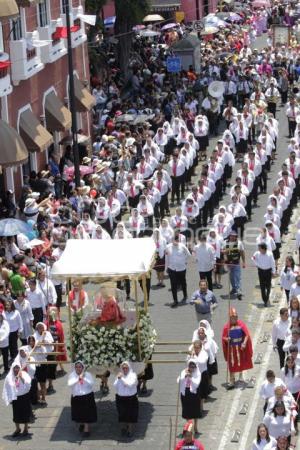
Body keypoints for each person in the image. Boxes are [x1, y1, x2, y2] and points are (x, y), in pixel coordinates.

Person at [222, 307, 253, 388]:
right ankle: (232, 380)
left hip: (240, 347)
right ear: (230, 318)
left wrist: (244, 343)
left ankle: (241, 376)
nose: (234, 319)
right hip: (232, 348)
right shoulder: (226, 327)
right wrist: (227, 339)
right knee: (231, 364)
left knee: (241, 361)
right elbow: (223, 337)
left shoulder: (241, 324)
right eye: (232, 317)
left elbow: (246, 334)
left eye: (235, 317)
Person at [68, 360, 97, 437]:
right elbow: (70, 384)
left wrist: (84, 378)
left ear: (82, 367)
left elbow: (91, 384)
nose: (78, 368)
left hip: (87, 396)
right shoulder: (72, 375)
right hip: (77, 397)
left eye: (80, 367)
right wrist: (78, 379)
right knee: (79, 413)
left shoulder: (87, 374)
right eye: (76, 367)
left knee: (87, 414)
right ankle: (82, 424)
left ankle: (86, 429)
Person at [2, 362, 32, 437]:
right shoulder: (10, 376)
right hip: (16, 397)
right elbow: (7, 387)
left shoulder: (24, 374)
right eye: (15, 368)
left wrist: (21, 377)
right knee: (16, 414)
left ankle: (26, 428)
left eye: (17, 368)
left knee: (25, 412)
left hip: (24, 396)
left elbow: (28, 384)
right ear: (12, 368)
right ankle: (17, 429)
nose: (16, 369)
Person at [113, 361, 139, 438]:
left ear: (129, 368)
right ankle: (123, 427)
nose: (124, 369)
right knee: (121, 414)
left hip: (130, 398)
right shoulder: (119, 375)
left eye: (126, 367)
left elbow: (130, 385)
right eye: (123, 368)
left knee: (130, 414)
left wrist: (122, 379)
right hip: (120, 397)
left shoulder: (133, 375)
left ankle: (130, 429)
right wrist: (118, 379)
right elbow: (115, 385)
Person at [165, 234, 191, 308]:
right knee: (173, 284)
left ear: (178, 240)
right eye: (173, 240)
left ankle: (185, 295)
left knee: (183, 282)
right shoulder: (168, 247)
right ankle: (175, 300)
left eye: (176, 240)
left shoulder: (182, 246)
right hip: (172, 268)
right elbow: (166, 258)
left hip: (181, 268)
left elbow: (189, 254)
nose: (175, 242)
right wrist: (166, 267)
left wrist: (184, 261)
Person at [178, 359, 201, 433]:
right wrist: (185, 376)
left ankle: (196, 426)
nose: (191, 368)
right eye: (190, 366)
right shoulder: (183, 371)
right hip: (185, 392)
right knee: (187, 411)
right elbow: (178, 380)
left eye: (193, 367)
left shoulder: (198, 373)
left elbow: (196, 384)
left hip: (194, 393)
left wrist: (191, 377)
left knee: (195, 411)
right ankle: (189, 426)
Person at [223, 230, 245, 299]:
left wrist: (244, 262)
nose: (232, 237)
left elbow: (242, 253)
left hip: (236, 263)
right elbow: (222, 252)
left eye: (234, 236)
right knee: (231, 277)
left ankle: (239, 291)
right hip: (228, 264)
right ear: (229, 236)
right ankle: (234, 288)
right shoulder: (225, 243)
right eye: (231, 236)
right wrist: (224, 254)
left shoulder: (239, 243)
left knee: (237, 277)